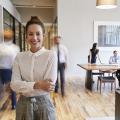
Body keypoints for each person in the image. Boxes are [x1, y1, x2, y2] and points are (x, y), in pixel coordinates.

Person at [10, 16, 57, 120]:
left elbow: (49, 85)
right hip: (23, 105)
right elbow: (14, 85)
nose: (34, 38)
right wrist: (37, 84)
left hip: (44, 106)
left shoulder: (51, 55)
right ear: (26, 37)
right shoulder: (19, 56)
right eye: (30, 34)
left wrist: (24, 86)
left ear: (43, 36)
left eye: (38, 34)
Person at [0, 29, 20, 109]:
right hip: (5, 70)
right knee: (9, 89)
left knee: (10, 89)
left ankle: (12, 104)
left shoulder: (13, 48)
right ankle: (12, 104)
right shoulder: (13, 48)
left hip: (7, 70)